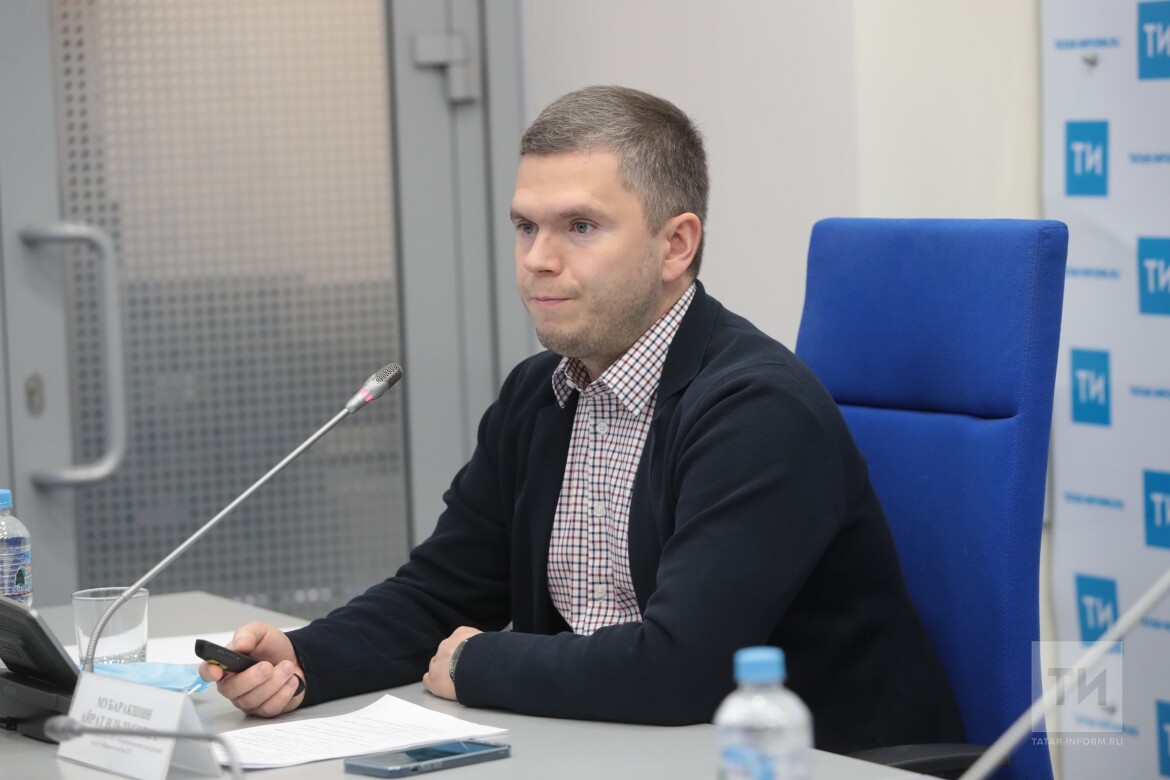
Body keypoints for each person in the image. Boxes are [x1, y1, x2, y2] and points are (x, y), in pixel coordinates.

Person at [201, 85, 964, 753]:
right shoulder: (538, 396)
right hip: (615, 748)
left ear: (676, 245)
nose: (538, 258)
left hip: (807, 761)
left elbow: (681, 669)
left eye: (580, 227)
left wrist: (479, 662)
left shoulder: (757, 412)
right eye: (525, 227)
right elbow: (438, 595)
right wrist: (303, 659)